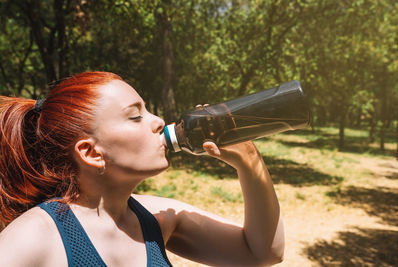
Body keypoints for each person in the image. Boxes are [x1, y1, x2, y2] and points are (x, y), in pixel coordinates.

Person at [0, 71, 284, 266]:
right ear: (90, 152)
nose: (159, 120)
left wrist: (250, 162)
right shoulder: (34, 236)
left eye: (148, 110)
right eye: (135, 116)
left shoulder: (156, 218)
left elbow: (261, 252)